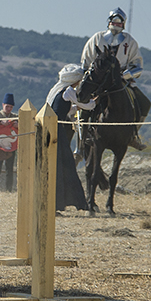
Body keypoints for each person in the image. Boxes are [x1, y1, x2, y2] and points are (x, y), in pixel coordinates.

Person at [81, 7, 151, 150]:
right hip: (99, 81)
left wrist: (127, 75)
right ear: (109, 22)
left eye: (119, 23)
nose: (116, 25)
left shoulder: (129, 42)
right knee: (84, 103)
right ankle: (83, 136)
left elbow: (138, 65)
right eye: (114, 22)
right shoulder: (97, 38)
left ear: (123, 24)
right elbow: (85, 62)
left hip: (121, 80)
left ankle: (132, 134)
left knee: (144, 103)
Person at [46, 64, 95, 211]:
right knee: (65, 165)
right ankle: (73, 202)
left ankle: (61, 203)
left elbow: (66, 109)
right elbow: (86, 106)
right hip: (58, 131)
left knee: (62, 165)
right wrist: (94, 102)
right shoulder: (68, 90)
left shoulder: (57, 90)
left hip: (53, 129)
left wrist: (77, 108)